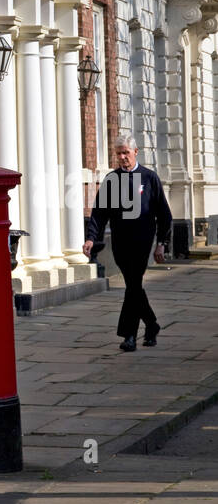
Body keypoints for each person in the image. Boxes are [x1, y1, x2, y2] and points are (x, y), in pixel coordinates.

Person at [82, 135, 172, 352]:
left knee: (132, 284)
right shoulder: (111, 180)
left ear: (135, 152)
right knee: (134, 285)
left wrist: (162, 243)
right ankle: (151, 325)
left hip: (142, 240)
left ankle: (129, 335)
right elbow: (100, 213)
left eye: (126, 153)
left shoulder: (149, 178)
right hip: (120, 241)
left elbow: (164, 214)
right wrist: (91, 237)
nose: (122, 157)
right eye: (118, 154)